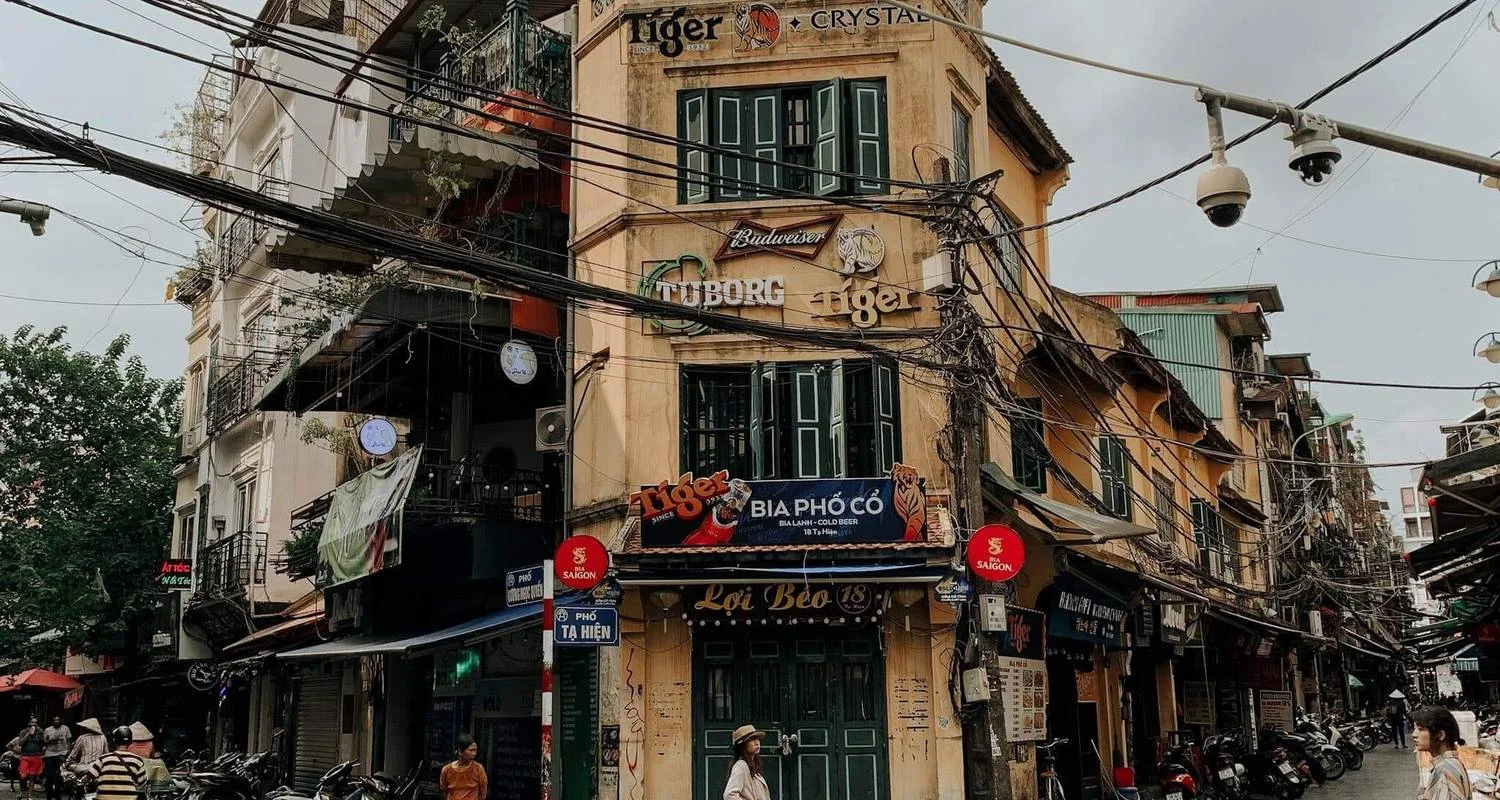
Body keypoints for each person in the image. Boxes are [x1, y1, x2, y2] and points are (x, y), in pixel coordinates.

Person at [1414, 706, 1471, 800]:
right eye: (1414, 728)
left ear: (1440, 735)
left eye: (1420, 729)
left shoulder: (1445, 769)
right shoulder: (1448, 763)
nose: (1414, 734)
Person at [84, 727, 144, 800]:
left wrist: (83, 780)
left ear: (114, 741)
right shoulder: (137, 760)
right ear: (130, 742)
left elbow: (89, 777)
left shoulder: (103, 758)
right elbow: (142, 782)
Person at [723, 725, 771, 800]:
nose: (757, 743)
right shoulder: (741, 766)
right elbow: (729, 795)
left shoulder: (753, 766)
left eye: (757, 739)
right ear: (743, 745)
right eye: (752, 739)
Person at [438, 734, 487, 800]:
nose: (474, 754)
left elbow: (483, 793)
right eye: (470, 750)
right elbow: (444, 792)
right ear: (460, 751)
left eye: (475, 750)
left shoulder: (478, 769)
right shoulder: (447, 770)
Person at [12, 717, 47, 800]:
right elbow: (20, 743)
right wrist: (29, 734)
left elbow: (44, 743)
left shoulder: (40, 731)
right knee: (23, 775)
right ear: (29, 723)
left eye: (35, 723)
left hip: (36, 756)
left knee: (32, 776)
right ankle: (21, 791)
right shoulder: (23, 731)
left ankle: (29, 796)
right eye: (32, 722)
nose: (34, 724)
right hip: (25, 756)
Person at [42, 716, 71, 800]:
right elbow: (44, 742)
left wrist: (68, 751)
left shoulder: (66, 728)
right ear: (52, 722)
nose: (56, 721)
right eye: (55, 720)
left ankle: (57, 793)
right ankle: (49, 794)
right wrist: (50, 740)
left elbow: (68, 741)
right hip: (49, 754)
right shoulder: (48, 730)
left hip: (62, 753)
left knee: (59, 774)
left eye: (58, 720)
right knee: (49, 775)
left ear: (61, 721)